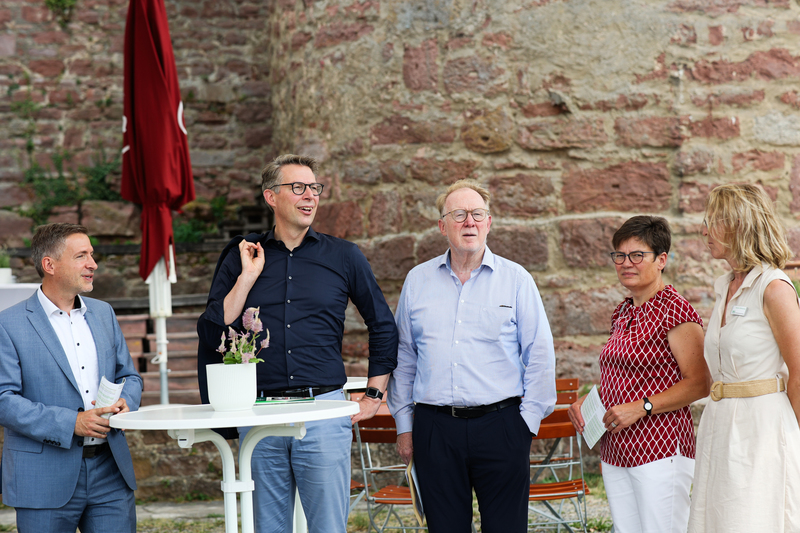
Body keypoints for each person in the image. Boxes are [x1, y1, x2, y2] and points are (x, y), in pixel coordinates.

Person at [200, 154, 398, 533]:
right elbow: (212, 330)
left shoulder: (344, 256)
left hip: (323, 412)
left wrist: (374, 394)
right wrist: (247, 278)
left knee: (328, 528)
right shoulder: (243, 256)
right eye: (298, 188)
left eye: (314, 188)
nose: (310, 196)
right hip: (257, 414)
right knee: (268, 529)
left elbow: (383, 325)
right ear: (271, 197)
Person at [387, 179, 556, 533]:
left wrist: (526, 423)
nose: (469, 222)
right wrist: (405, 427)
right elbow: (404, 358)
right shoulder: (417, 281)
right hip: (435, 429)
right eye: (459, 214)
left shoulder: (516, 279)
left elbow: (539, 353)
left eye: (478, 214)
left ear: (489, 222)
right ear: (442, 225)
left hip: (502, 425)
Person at [567, 215, 710, 533]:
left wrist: (641, 406)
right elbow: (620, 375)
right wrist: (588, 402)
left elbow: (701, 382)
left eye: (636, 255)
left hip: (660, 450)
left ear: (662, 260)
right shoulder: (623, 309)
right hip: (616, 449)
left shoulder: (676, 309)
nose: (625, 263)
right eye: (619, 255)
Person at [0, 223, 143, 533]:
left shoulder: (104, 313)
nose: (92, 263)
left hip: (110, 470)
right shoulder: (7, 324)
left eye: (91, 254)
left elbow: (130, 376)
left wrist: (125, 401)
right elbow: (3, 401)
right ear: (49, 265)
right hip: (43, 476)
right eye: (81, 256)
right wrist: (72, 423)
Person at [688, 184, 800, 532]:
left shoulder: (774, 288)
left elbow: (799, 372)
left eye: (711, 221)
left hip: (762, 429)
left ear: (738, 225)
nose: (703, 231)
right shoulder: (725, 286)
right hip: (719, 424)